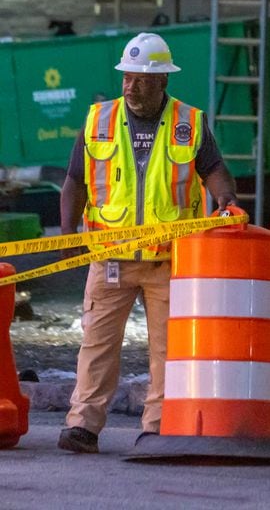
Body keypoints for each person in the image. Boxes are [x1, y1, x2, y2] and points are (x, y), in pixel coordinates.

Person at [57, 32, 238, 453]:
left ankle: (158, 427)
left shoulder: (188, 123)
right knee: (97, 345)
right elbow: (74, 182)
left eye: (141, 79)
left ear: (162, 82)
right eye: (127, 77)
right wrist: (68, 234)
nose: (131, 86)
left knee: (168, 350)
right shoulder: (98, 121)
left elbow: (214, 170)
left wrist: (226, 198)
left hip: (168, 260)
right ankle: (83, 424)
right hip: (110, 258)